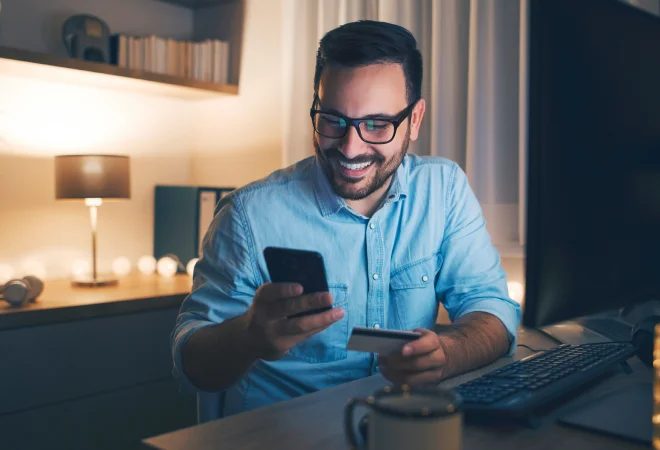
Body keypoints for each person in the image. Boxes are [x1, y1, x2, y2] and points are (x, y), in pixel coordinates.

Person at [171, 20, 521, 416]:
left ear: (415, 120)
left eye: (377, 124)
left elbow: (492, 308)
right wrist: (250, 337)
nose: (351, 148)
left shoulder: (444, 190)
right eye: (333, 120)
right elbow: (192, 365)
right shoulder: (248, 215)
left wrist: (448, 353)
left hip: (399, 428)